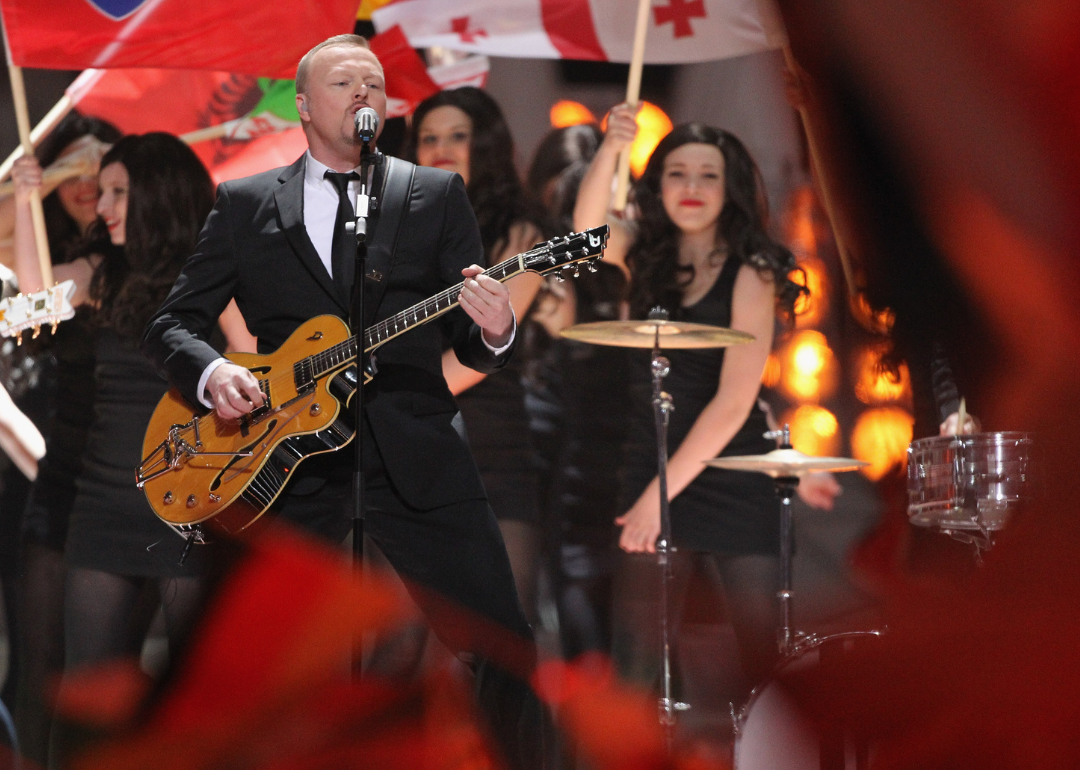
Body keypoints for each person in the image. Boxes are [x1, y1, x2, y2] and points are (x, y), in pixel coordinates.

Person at [142, 35, 542, 770]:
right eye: (343, 82)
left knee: (502, 648)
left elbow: (467, 335)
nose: (364, 93)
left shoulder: (432, 194)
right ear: (302, 104)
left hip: (417, 454)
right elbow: (172, 322)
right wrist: (212, 376)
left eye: (375, 83)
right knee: (266, 666)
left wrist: (496, 328)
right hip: (286, 464)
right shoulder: (245, 203)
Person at [574, 106, 805, 699]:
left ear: (730, 189)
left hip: (730, 468)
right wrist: (611, 148)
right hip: (649, 457)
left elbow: (733, 402)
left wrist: (659, 497)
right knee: (635, 666)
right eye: (678, 173)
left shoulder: (753, 271)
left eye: (709, 175)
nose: (693, 188)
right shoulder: (641, 253)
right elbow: (584, 232)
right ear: (658, 185)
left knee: (764, 667)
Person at [3, 112, 119, 765]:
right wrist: (21, 197)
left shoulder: (126, 262)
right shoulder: (34, 253)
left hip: (124, 476)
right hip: (42, 475)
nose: (87, 182)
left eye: (101, 170)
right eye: (72, 165)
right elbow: (28, 311)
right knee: (37, 658)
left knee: (104, 671)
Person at [406, 87, 547, 625]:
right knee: (400, 642)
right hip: (408, 451)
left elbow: (476, 353)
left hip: (488, 442)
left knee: (502, 639)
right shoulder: (391, 228)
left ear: (486, 145)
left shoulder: (522, 234)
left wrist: (392, 403)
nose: (442, 148)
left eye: (458, 137)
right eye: (429, 138)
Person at [522, 123, 630, 660]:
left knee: (591, 584)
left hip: (607, 437)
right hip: (537, 424)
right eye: (557, 198)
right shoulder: (528, 254)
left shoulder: (619, 259)